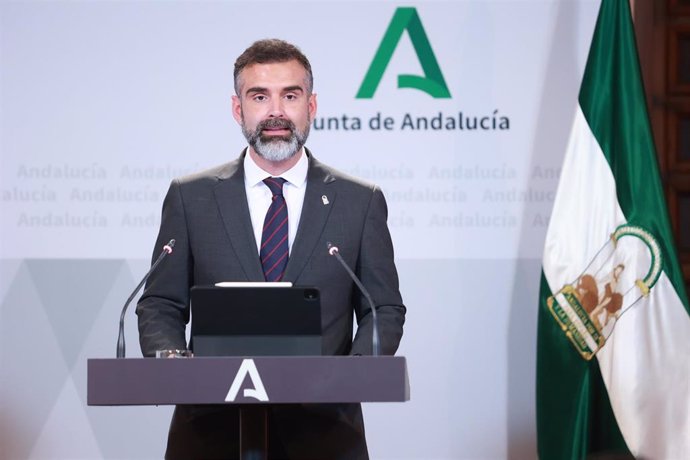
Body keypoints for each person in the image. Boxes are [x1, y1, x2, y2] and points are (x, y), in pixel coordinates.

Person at [136, 38, 406, 460]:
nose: (276, 111)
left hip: (324, 434)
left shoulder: (360, 202)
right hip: (210, 432)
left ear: (311, 106)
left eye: (290, 95)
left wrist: (352, 372)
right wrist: (171, 363)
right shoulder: (191, 198)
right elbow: (160, 304)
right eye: (259, 96)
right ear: (237, 108)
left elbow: (382, 308)